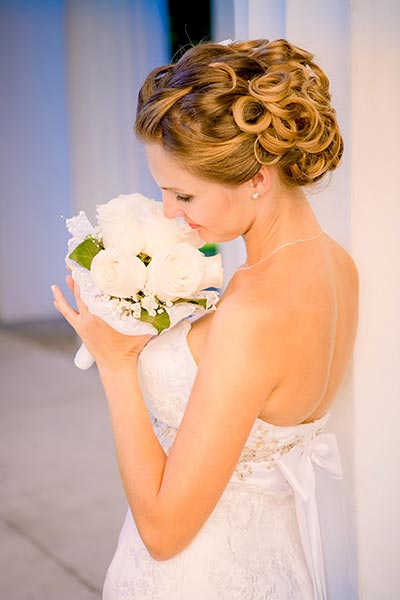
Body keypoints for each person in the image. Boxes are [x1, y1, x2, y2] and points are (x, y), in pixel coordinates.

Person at [52, 38, 359, 600]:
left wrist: (117, 366)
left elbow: (164, 533)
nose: (169, 211)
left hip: (201, 577)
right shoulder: (337, 264)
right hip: (272, 557)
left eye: (184, 195)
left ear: (257, 180)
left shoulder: (254, 311)